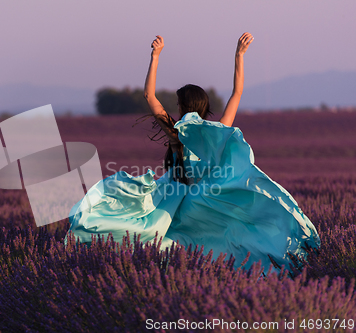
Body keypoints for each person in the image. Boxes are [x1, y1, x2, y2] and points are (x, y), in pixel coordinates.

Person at [64, 33, 321, 276]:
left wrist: (155, 56)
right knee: (228, 242)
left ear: (182, 106)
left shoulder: (177, 134)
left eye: (178, 104)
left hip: (178, 200)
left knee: (149, 232)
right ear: (205, 106)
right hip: (206, 198)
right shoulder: (218, 132)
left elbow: (149, 96)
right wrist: (239, 55)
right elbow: (237, 93)